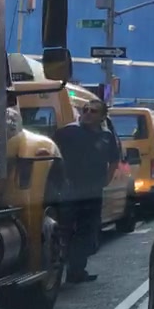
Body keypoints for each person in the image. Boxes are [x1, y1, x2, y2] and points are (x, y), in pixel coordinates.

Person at [52, 99, 121, 283]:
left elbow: (114, 159)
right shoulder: (68, 132)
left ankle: (76, 270)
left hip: (92, 191)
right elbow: (53, 154)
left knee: (87, 229)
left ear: (102, 117)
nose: (88, 113)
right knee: (65, 229)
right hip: (70, 188)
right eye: (86, 110)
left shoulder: (106, 136)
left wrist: (105, 180)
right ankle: (56, 270)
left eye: (93, 111)